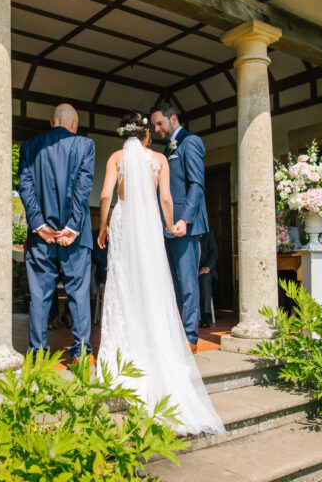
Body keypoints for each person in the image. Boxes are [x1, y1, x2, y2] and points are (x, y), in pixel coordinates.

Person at [96, 111, 224, 436]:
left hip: (124, 221)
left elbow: (105, 195)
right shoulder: (159, 160)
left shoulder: (115, 158)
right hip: (151, 223)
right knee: (153, 283)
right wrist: (168, 224)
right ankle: (158, 349)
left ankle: (121, 359)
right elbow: (165, 197)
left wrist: (103, 226)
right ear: (146, 136)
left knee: (123, 285)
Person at [19, 103, 95, 363]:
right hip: (76, 237)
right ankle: (81, 354)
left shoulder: (29, 146)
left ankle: (38, 355)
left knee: (40, 297)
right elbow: (83, 188)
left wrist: (40, 225)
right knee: (78, 293)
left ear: (53, 122)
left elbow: (25, 185)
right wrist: (72, 227)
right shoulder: (85, 145)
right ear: (74, 125)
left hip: (41, 238)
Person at [150, 102, 209, 353]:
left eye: (159, 123)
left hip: (185, 226)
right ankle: (175, 334)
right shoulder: (168, 147)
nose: (156, 129)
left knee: (187, 284)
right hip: (168, 227)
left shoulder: (191, 142)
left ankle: (190, 337)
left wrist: (184, 219)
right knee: (172, 284)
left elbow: (196, 184)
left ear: (173, 118)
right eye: (154, 126)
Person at [198, 229, 218, 328]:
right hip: (191, 270)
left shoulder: (208, 233)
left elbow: (214, 253)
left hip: (205, 269)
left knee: (205, 280)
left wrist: (207, 267)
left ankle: (205, 317)